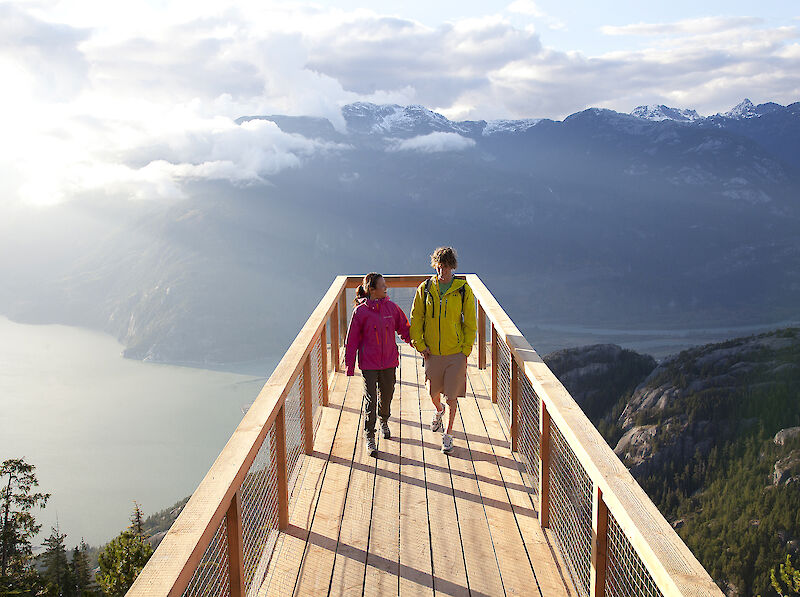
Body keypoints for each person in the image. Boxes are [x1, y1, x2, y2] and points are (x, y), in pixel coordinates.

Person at [409, 247, 476, 454]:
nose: (442, 271)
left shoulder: (463, 289)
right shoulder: (425, 288)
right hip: (432, 352)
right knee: (433, 392)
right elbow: (416, 318)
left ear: (452, 267)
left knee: (451, 396)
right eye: (439, 267)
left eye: (445, 267)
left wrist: (465, 349)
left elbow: (470, 323)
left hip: (455, 352)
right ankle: (439, 411)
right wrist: (419, 344)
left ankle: (448, 434)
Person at [345, 273, 412, 457]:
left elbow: (405, 329)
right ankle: (370, 436)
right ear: (371, 290)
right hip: (369, 364)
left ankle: (384, 420)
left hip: (389, 361)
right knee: (370, 399)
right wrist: (350, 365)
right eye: (382, 285)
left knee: (388, 393)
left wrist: (417, 345)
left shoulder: (391, 308)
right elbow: (351, 341)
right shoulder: (360, 312)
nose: (386, 288)